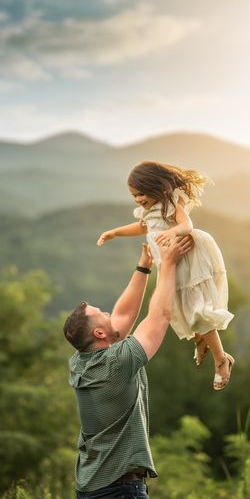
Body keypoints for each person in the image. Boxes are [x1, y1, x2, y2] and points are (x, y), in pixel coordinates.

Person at [63, 235, 193, 499]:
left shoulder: (80, 361)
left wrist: (144, 264)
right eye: (101, 314)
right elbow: (161, 315)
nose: (109, 312)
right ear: (101, 333)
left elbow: (121, 316)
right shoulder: (117, 363)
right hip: (120, 492)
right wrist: (169, 265)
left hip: (92, 488)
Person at [97, 160, 235, 391]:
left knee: (196, 309)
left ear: (156, 187)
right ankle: (200, 339)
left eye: (141, 193)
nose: (139, 199)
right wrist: (115, 232)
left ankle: (221, 359)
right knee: (177, 308)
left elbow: (186, 224)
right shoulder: (150, 208)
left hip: (186, 260)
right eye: (134, 196)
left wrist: (172, 231)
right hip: (168, 263)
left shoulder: (170, 202)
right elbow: (144, 227)